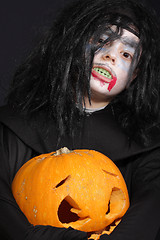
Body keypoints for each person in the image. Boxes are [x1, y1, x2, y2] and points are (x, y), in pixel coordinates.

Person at [0, 0, 160, 239]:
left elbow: (148, 214)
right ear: (75, 43)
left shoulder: (147, 146)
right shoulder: (14, 125)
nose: (110, 56)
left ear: (134, 75)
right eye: (101, 41)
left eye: (126, 53)